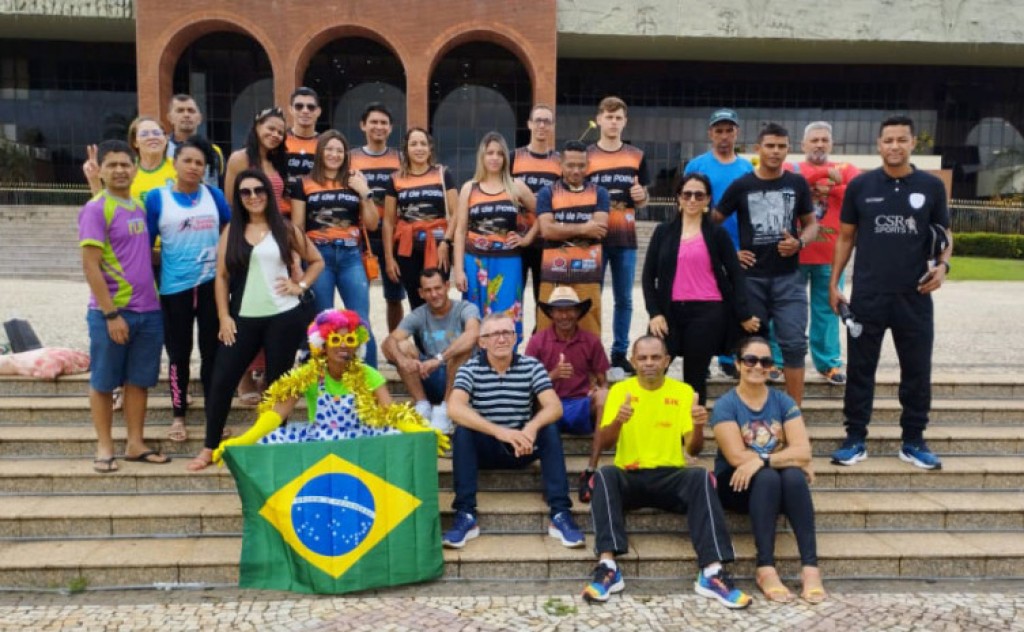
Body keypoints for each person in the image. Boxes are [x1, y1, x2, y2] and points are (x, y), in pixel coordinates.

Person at [581, 335, 750, 609]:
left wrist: (697, 426)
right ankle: (608, 566)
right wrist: (619, 422)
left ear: (667, 361)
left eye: (655, 357)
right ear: (633, 361)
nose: (649, 363)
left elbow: (693, 451)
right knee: (603, 475)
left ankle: (712, 571)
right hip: (631, 476)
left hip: (671, 476)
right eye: (643, 358)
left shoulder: (683, 392)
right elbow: (607, 443)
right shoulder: (619, 391)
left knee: (700, 476)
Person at [829, 115, 953, 471]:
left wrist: (943, 268)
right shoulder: (861, 186)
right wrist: (834, 283)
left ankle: (913, 441)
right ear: (879, 145)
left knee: (916, 370)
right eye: (888, 140)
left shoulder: (930, 187)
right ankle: (855, 439)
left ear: (914, 143)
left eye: (902, 139)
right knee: (860, 371)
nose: (895, 146)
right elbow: (846, 237)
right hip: (868, 297)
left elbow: (945, 235)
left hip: (914, 295)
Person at [188, 169, 323, 471]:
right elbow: (221, 277)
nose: (253, 196)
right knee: (222, 380)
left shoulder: (284, 228)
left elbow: (317, 261)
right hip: (243, 318)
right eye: (245, 192)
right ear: (238, 198)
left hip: (283, 317)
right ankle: (210, 446)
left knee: (278, 385)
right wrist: (224, 316)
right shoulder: (231, 232)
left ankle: (274, 441)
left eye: (258, 190)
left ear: (268, 194)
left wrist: (300, 286)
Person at [211, 309, 448, 461]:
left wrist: (423, 433)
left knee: (399, 439)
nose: (343, 345)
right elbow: (276, 414)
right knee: (267, 444)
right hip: (319, 444)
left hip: (358, 443)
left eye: (349, 340)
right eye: (335, 339)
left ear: (357, 345)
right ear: (322, 345)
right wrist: (244, 440)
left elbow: (391, 413)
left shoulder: (368, 374)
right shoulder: (309, 374)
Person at [444, 313, 583, 549]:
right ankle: (465, 515)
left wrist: (531, 427)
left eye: (506, 333)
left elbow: (554, 406)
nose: (501, 339)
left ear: (516, 338)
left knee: (548, 428)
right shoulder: (470, 369)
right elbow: (454, 408)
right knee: (463, 432)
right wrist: (499, 432)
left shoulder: (531, 366)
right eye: (493, 334)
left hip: (522, 448)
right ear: (482, 342)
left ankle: (560, 514)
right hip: (486, 450)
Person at [710, 336, 825, 604]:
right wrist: (784, 458)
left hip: (774, 482)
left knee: (791, 476)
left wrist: (762, 460)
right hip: (736, 486)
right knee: (773, 475)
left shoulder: (782, 401)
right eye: (750, 360)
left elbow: (803, 451)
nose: (758, 366)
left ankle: (810, 568)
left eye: (765, 361)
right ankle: (765, 567)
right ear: (738, 364)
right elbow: (738, 457)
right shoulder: (726, 405)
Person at [79, 140, 169, 473]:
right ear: (100, 170)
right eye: (112, 165)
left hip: (149, 311)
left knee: (139, 380)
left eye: (125, 164)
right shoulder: (95, 208)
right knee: (104, 381)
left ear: (135, 168)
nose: (119, 170)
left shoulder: (138, 206)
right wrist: (110, 314)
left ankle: (135, 443)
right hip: (114, 312)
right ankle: (105, 447)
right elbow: (90, 265)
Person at [714, 123, 818, 405]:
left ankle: (794, 413)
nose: (776, 151)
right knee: (752, 347)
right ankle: (751, 408)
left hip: (789, 279)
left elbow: (811, 225)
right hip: (751, 281)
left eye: (781, 146)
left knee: (795, 344)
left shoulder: (796, 184)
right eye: (770, 146)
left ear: (788, 149)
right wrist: (730, 253)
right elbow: (712, 223)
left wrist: (800, 242)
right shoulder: (742, 185)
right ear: (758, 149)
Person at [643, 173, 760, 407]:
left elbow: (736, 275)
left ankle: (691, 436)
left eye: (699, 195)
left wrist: (743, 314)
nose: (692, 199)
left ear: (708, 200)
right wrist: (655, 313)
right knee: (651, 371)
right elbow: (647, 277)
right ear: (678, 197)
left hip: (707, 313)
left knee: (694, 379)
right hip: (668, 312)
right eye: (687, 194)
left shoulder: (717, 234)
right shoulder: (663, 232)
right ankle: (652, 424)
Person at [144, 139, 231, 443]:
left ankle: (213, 414)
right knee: (179, 355)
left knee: (213, 354)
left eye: (199, 163)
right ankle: (178, 414)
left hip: (210, 288)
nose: (194, 167)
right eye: (188, 161)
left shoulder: (215, 196)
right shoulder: (157, 199)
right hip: (174, 289)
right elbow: (144, 245)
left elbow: (230, 235)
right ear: (175, 162)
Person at [768, 122, 859, 385]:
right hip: (792, 254)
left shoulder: (847, 169)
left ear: (831, 144)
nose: (819, 144)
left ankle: (829, 363)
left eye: (824, 140)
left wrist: (834, 187)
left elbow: (856, 194)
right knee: (784, 310)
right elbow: (785, 189)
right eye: (814, 140)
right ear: (803, 144)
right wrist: (819, 180)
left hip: (831, 256)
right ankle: (777, 359)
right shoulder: (791, 168)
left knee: (828, 310)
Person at [290, 129, 380, 367]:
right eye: (329, 149)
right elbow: (297, 228)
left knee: (361, 320)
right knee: (323, 322)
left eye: (339, 150)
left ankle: (369, 384)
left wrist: (365, 192)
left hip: (351, 255)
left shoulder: (354, 180)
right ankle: (324, 381)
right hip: (318, 257)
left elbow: (372, 224)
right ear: (320, 152)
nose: (334, 154)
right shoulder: (304, 184)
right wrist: (296, 263)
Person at [684, 108, 754, 379]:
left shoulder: (747, 168)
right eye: (719, 131)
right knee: (705, 304)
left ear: (737, 133)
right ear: (710, 134)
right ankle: (702, 356)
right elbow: (687, 206)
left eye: (729, 130)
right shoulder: (697, 166)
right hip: (704, 245)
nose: (724, 136)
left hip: (740, 248)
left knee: (735, 301)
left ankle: (729, 356)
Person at [452, 132, 537, 343]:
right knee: (474, 315)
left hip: (508, 261)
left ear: (505, 158)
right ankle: (477, 362)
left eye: (499, 153)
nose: (495, 158)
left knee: (507, 312)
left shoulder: (516, 186)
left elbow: (543, 216)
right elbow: (460, 231)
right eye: (490, 153)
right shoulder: (469, 188)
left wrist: (525, 239)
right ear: (482, 156)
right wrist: (459, 270)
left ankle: (509, 361)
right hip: (475, 262)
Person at [586, 96, 649, 374]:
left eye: (618, 118)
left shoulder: (636, 155)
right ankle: (593, 350)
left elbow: (644, 196)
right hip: (594, 237)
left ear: (625, 121)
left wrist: (642, 195)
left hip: (625, 239)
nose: (613, 122)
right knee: (593, 296)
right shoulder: (586, 156)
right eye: (608, 117)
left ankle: (620, 353)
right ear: (599, 119)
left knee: (624, 299)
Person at [381, 268, 480, 434]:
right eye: (428, 290)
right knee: (401, 346)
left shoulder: (465, 308)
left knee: (461, 349)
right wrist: (403, 360)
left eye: (437, 288)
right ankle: (423, 406)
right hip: (430, 376)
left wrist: (440, 358)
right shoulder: (419, 314)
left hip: (464, 381)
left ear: (447, 286)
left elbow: (473, 334)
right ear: (421, 293)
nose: (434, 294)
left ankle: (447, 409)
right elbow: (388, 342)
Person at [535, 140, 609, 336]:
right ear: (561, 165)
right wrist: (585, 227)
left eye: (581, 165)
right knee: (547, 329)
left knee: (590, 329)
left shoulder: (600, 193)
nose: (576, 170)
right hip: (554, 272)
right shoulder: (547, 193)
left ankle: (590, 368)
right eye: (570, 165)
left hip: (588, 272)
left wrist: (561, 227)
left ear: (588, 165)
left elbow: (600, 230)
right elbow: (547, 231)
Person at [383, 127, 458, 309]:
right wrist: (389, 258)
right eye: (414, 144)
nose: (419, 148)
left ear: (430, 148)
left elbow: (457, 213)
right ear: (406, 149)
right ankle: (421, 339)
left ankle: (443, 337)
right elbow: (388, 221)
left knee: (438, 299)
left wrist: (446, 242)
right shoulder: (395, 179)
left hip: (439, 247)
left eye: (423, 143)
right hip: (408, 251)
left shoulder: (442, 173)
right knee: (416, 302)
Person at [350, 103, 405, 332]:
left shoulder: (401, 158)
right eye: (373, 122)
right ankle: (361, 347)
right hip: (362, 235)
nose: (378, 127)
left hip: (393, 236)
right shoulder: (349, 158)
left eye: (384, 122)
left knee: (394, 296)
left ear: (391, 128)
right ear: (363, 125)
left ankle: (395, 345)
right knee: (359, 295)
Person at [527, 286, 609, 434]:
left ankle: (596, 454)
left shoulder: (591, 341)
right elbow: (526, 382)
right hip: (549, 404)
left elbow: (603, 381)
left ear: (578, 312)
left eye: (569, 309)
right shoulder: (537, 341)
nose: (564, 316)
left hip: (581, 404)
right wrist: (553, 375)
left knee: (604, 396)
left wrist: (599, 389)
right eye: (559, 310)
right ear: (551, 313)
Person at [510, 104, 561, 305]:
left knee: (545, 301)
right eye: (537, 120)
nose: (542, 125)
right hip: (516, 239)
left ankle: (540, 337)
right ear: (529, 124)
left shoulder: (559, 161)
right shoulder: (514, 157)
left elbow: (561, 202)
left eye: (546, 121)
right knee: (514, 300)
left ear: (552, 127)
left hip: (546, 241)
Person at [83, 117, 177, 202]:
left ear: (165, 138)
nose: (152, 137)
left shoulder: (178, 167)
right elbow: (108, 207)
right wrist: (94, 179)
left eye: (157, 133)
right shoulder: (125, 168)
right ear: (135, 142)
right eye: (144, 134)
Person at [224, 106, 290, 216]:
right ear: (257, 127)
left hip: (277, 226)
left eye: (280, 133)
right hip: (250, 228)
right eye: (271, 129)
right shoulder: (240, 158)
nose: (275, 135)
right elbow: (231, 202)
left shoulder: (277, 161)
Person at [165, 94, 224, 189]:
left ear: (199, 118)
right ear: (170, 118)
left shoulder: (214, 151)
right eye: (180, 111)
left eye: (191, 111)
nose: (186, 115)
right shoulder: (162, 150)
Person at [283, 87, 321, 184]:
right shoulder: (279, 141)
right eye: (299, 106)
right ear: (290, 109)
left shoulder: (325, 144)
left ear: (318, 111)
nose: (305, 111)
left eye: (311, 107)